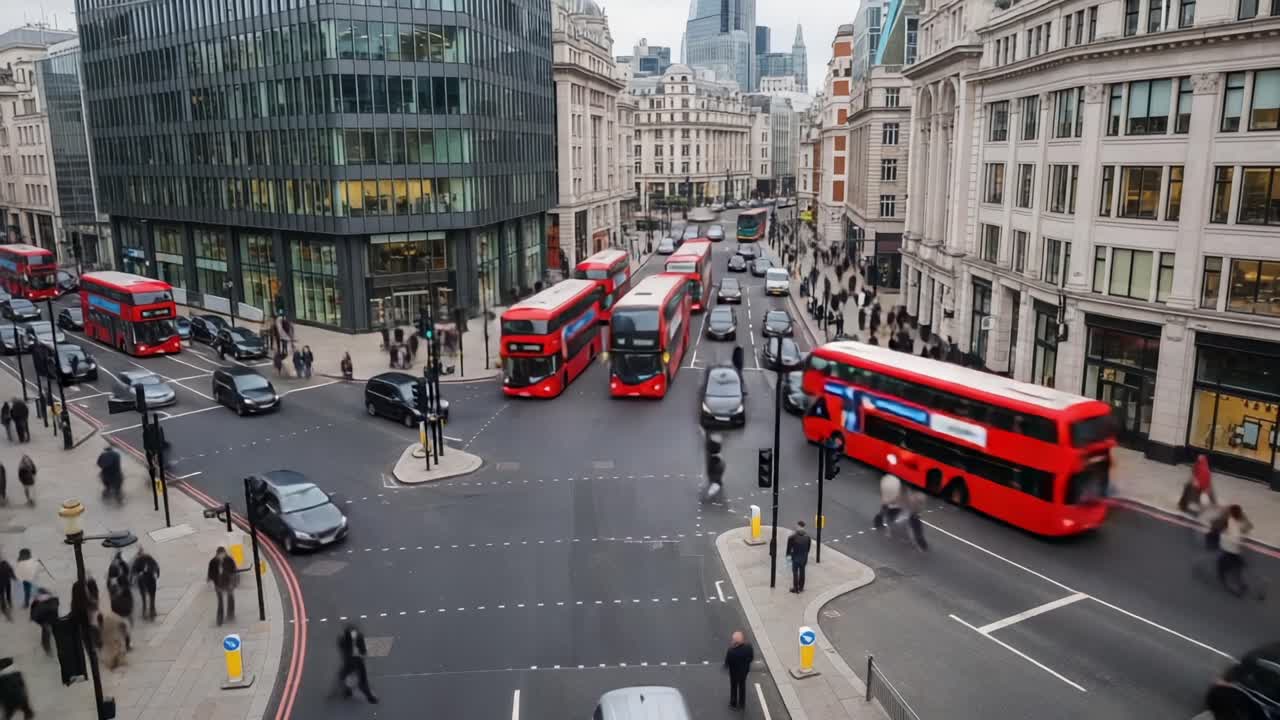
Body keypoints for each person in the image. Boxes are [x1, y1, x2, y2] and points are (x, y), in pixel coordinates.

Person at [1217, 505, 1255, 597]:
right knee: (1237, 566)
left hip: (1229, 548)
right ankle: (1241, 584)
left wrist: (1225, 535)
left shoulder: (1231, 522)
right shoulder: (1240, 521)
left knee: (1228, 566)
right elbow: (1250, 526)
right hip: (1236, 549)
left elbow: (1233, 537)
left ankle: (1236, 588)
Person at [336, 624, 378, 703]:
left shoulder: (342, 640)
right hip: (357, 662)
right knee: (362, 681)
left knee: (343, 676)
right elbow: (363, 651)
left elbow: (344, 652)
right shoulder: (358, 638)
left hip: (350, 662)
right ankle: (369, 697)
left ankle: (348, 691)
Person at [207, 547, 238, 626]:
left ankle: (230, 613)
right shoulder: (213, 562)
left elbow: (234, 571)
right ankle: (219, 618)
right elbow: (211, 573)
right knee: (220, 601)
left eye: (222, 554)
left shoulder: (229, 560)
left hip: (228, 582)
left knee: (230, 597)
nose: (221, 556)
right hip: (218, 584)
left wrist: (233, 583)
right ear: (217, 554)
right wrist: (211, 580)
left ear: (225, 553)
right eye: (219, 555)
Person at [723, 630, 754, 710]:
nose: (731, 641)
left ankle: (733, 703)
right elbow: (751, 658)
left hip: (734, 673)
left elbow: (727, 663)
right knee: (742, 686)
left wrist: (727, 666)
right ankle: (742, 703)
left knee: (734, 687)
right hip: (744, 672)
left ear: (736, 642)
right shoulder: (749, 647)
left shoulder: (731, 652)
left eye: (733, 640)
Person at [874, 456, 904, 532]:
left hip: (888, 500)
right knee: (887, 512)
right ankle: (881, 523)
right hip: (889, 500)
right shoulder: (892, 480)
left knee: (884, 511)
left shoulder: (889, 479)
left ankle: (879, 522)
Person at [131, 549, 160, 621]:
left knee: (151, 596)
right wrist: (138, 574)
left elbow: (156, 566)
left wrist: (156, 573)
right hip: (143, 580)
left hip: (150, 579)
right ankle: (147, 611)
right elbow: (134, 570)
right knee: (145, 597)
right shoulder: (138, 560)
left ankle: (151, 610)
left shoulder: (148, 558)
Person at [785, 521, 813, 593]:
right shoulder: (808, 537)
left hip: (795, 557)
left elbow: (788, 549)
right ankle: (801, 587)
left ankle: (795, 588)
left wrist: (788, 555)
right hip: (804, 558)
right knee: (802, 572)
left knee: (795, 573)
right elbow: (808, 549)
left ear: (798, 526)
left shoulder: (792, 537)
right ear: (803, 527)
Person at [28, 588, 57, 655]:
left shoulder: (51, 601)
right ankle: (46, 647)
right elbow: (34, 612)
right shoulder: (39, 602)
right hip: (44, 619)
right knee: (46, 631)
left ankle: (46, 646)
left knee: (46, 631)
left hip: (46, 619)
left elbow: (34, 612)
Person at [0, 551, 13, 621]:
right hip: (7, 582)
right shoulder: (5, 564)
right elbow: (10, 570)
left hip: (4, 583)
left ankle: (4, 607)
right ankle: (8, 603)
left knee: (2, 596)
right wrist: (14, 577)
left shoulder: (5, 564)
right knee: (7, 594)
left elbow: (10, 570)